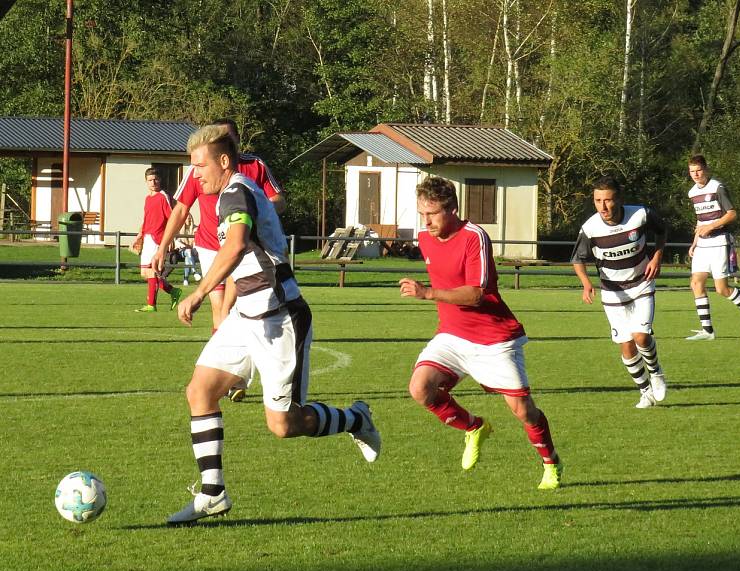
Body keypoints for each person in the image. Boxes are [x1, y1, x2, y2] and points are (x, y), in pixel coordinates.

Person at [166, 124, 380, 525]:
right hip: (245, 316)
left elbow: (235, 245)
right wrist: (225, 308)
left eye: (199, 166)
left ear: (224, 162)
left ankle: (356, 419)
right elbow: (241, 266)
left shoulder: (236, 192)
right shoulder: (229, 193)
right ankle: (213, 494)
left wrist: (197, 292)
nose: (194, 175)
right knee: (199, 391)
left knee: (284, 425)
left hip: (279, 317)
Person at [399, 176, 563, 490]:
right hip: (452, 335)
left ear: (452, 209)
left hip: (493, 339)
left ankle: (551, 462)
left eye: (432, 213)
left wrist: (428, 294)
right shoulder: (425, 237)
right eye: (422, 213)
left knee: (523, 412)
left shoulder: (475, 236)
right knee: (421, 389)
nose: (426, 221)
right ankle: (474, 427)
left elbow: (476, 294)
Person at [152, 118, 286, 333]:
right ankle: (223, 348)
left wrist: (262, 212)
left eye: (226, 137)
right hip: (210, 244)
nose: (197, 173)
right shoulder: (203, 170)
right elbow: (180, 209)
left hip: (240, 249)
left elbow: (238, 244)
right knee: (220, 307)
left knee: (229, 307)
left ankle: (228, 347)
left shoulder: (240, 184)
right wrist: (162, 247)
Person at [572, 176, 668, 409]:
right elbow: (577, 259)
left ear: (619, 199)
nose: (603, 207)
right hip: (613, 293)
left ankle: (656, 373)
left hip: (642, 284)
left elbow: (663, 230)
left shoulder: (641, 214)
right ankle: (645, 392)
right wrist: (586, 283)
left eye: (608, 200)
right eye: (597, 201)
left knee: (641, 336)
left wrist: (657, 256)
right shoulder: (590, 228)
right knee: (626, 346)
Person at [685, 154, 740, 340]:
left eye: (698, 170)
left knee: (721, 289)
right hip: (703, 244)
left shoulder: (717, 187)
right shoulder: (692, 193)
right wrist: (695, 242)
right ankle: (708, 331)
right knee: (696, 283)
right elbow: (700, 220)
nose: (695, 174)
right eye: (692, 172)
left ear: (706, 170)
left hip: (719, 241)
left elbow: (731, 214)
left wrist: (711, 227)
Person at [130, 167, 182, 313]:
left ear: (160, 180)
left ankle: (151, 305)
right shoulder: (148, 199)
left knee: (152, 271)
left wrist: (171, 238)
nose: (153, 182)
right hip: (147, 238)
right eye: (150, 180)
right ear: (146, 182)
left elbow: (172, 217)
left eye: (155, 179)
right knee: (144, 273)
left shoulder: (163, 196)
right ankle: (173, 291)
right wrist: (140, 235)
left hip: (158, 238)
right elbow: (146, 219)